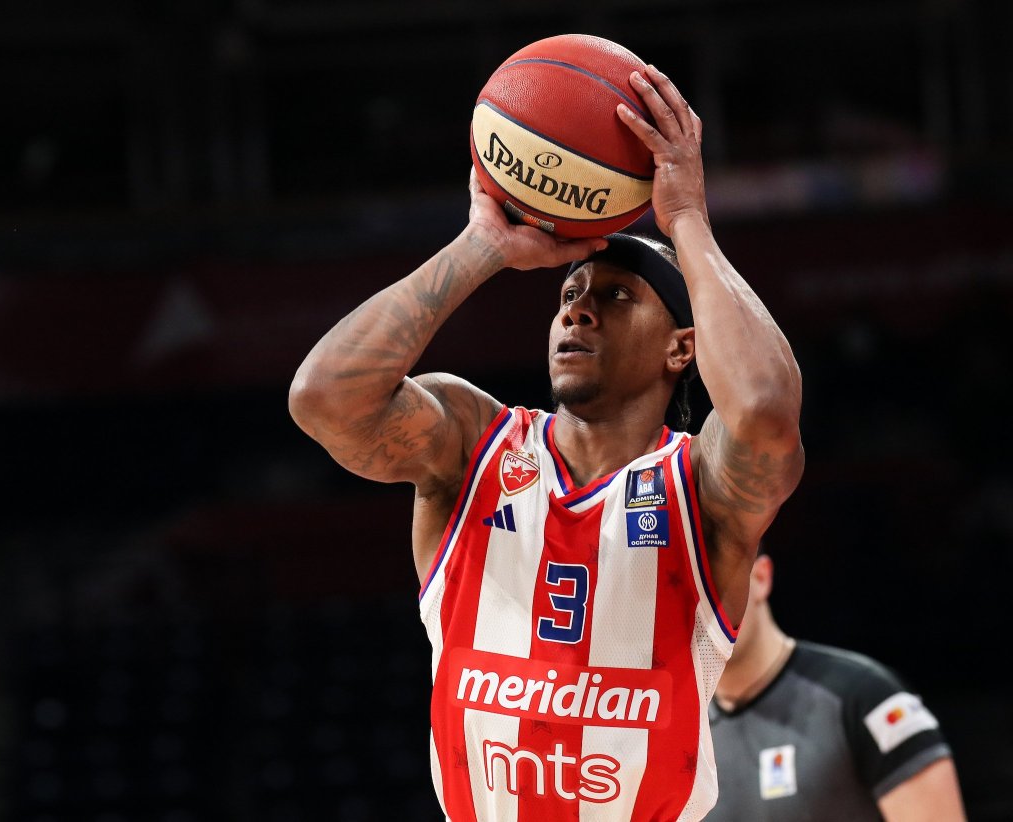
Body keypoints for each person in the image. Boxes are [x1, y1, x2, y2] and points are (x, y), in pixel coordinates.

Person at [289, 64, 804, 820]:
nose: (577, 312)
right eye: (569, 295)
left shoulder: (702, 488)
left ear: (681, 348)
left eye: (616, 297)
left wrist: (688, 220)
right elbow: (323, 399)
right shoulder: (472, 443)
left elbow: (762, 407)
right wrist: (482, 244)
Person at [706, 550, 968, 821]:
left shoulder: (866, 698)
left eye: (710, 585)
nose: (699, 612)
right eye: (685, 596)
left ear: (760, 578)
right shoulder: (684, 730)